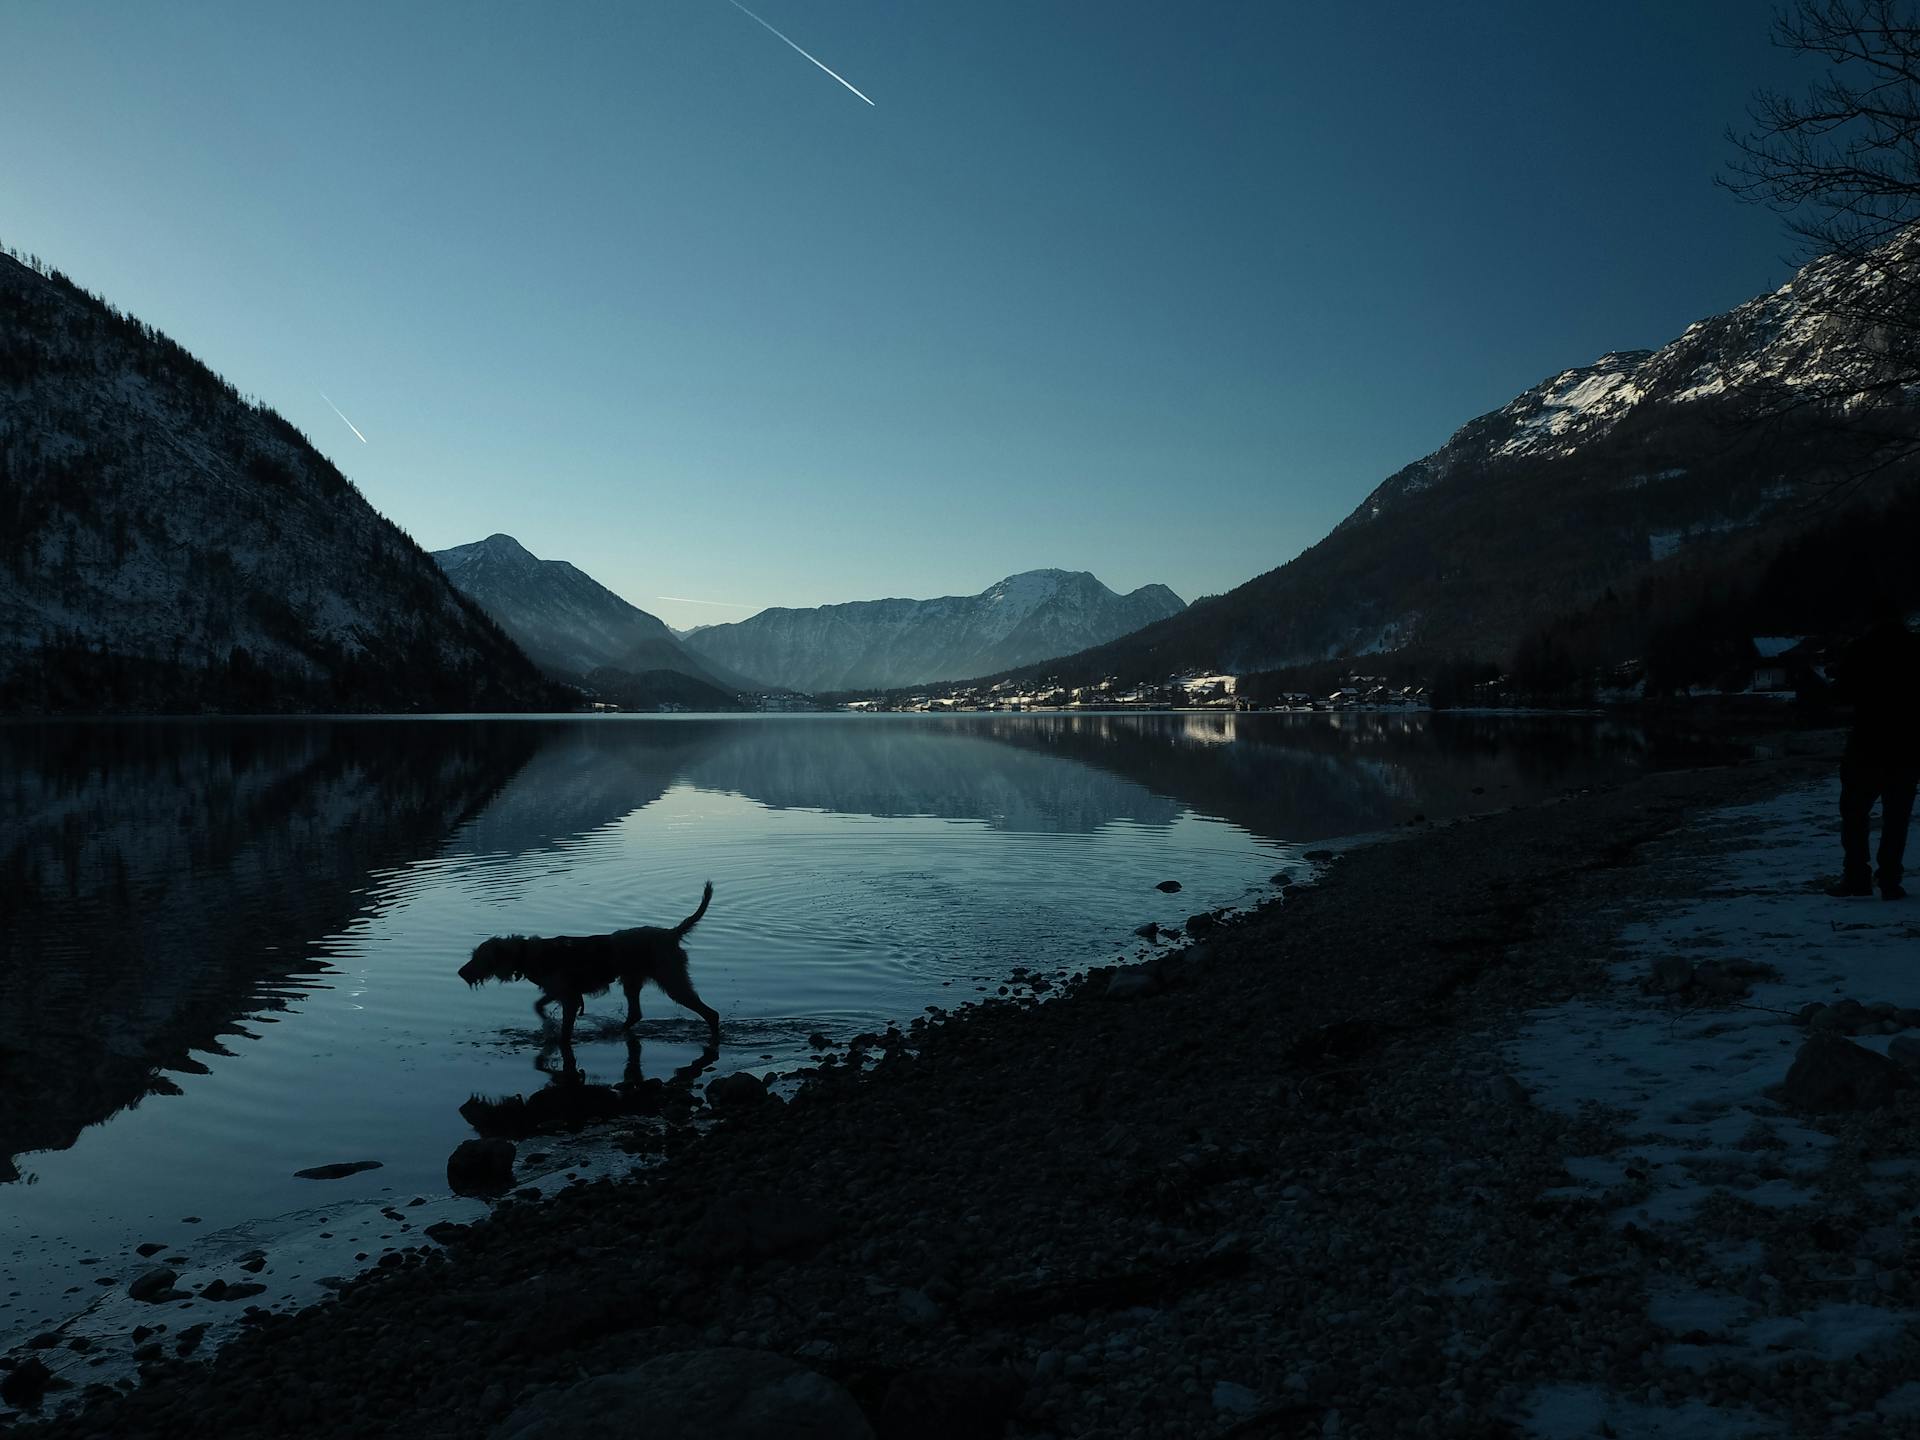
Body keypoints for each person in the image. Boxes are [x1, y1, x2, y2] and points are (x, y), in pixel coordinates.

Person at [1826, 607, 1920, 900]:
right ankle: (1890, 880)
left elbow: (1841, 694)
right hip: (1907, 747)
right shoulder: (1916, 649)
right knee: (1897, 817)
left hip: (1866, 745)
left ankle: (1857, 877)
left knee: (1855, 814)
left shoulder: (1861, 649)